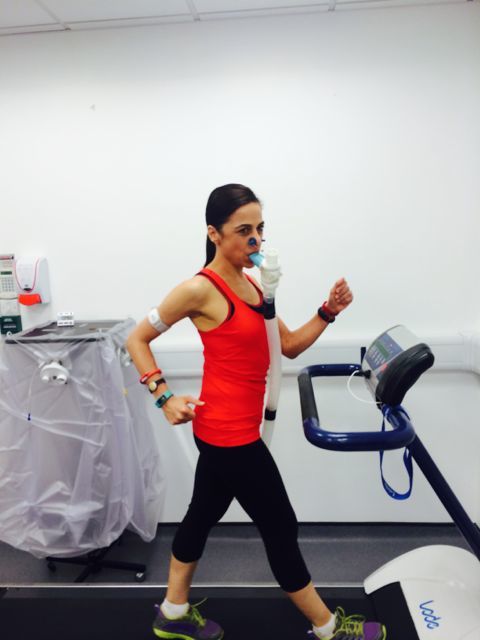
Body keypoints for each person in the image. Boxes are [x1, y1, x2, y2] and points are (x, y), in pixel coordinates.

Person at [126, 184, 386, 640]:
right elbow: (136, 340)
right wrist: (164, 397)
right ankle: (328, 628)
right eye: (244, 231)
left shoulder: (251, 283)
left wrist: (328, 311)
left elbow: (284, 346)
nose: (256, 241)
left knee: (201, 515)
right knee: (281, 527)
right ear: (214, 233)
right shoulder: (198, 290)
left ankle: (172, 612)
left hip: (230, 430)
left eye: (260, 229)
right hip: (230, 436)